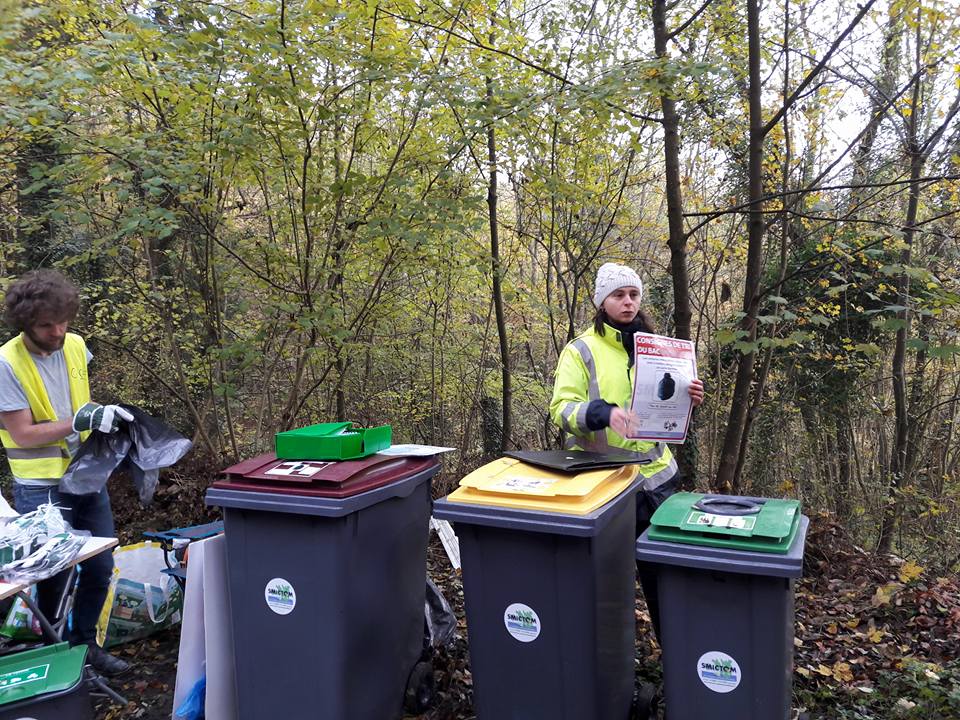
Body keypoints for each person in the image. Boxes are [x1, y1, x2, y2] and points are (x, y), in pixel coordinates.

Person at [549, 262, 704, 637]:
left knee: (663, 580)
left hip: (658, 484)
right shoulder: (581, 350)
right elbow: (561, 409)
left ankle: (677, 657)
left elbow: (667, 408)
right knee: (607, 583)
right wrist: (605, 414)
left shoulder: (659, 348)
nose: (628, 302)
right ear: (602, 302)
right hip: (605, 485)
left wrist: (690, 397)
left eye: (634, 294)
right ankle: (608, 658)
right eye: (619, 295)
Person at [0, 269, 133, 676]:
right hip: (41, 488)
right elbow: (22, 434)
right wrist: (80, 420)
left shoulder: (75, 345)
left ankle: (85, 646)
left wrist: (100, 417)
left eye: (64, 320)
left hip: (86, 476)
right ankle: (52, 656)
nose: (58, 331)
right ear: (25, 323)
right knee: (54, 576)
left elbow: (78, 397)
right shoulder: (6, 364)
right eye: (46, 324)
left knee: (99, 566)